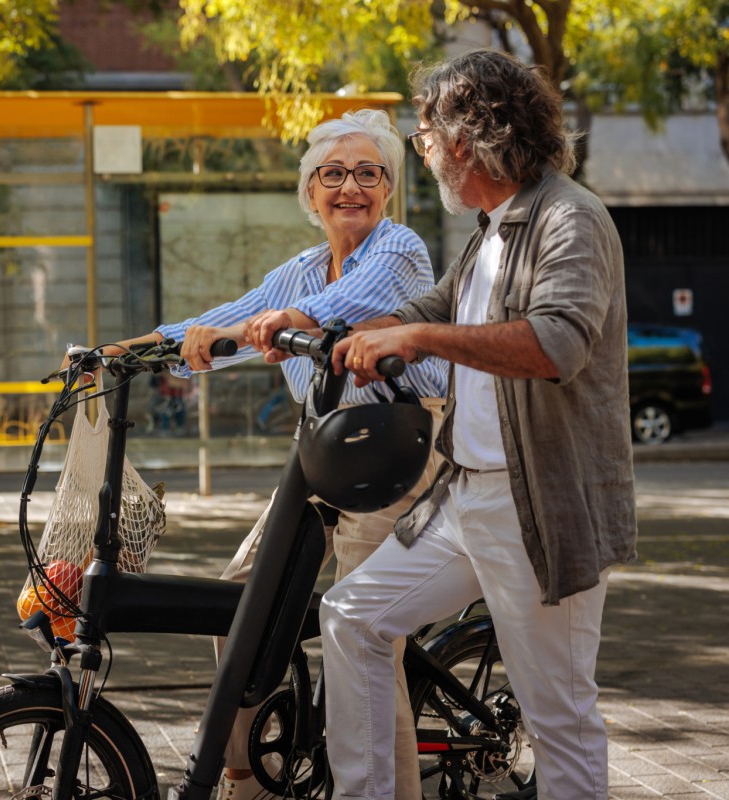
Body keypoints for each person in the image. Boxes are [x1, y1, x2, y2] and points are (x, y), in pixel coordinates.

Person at [246, 49, 637, 800]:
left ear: (468, 138)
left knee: (559, 717)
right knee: (353, 616)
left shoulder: (569, 219)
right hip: (466, 500)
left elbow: (556, 343)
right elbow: (433, 310)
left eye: (425, 139)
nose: (423, 156)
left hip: (540, 508)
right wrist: (324, 324)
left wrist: (414, 340)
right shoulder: (493, 228)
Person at [105, 108, 447, 800]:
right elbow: (230, 321)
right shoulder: (296, 271)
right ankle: (244, 779)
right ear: (309, 191)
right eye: (333, 174)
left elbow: (352, 301)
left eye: (367, 174)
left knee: (365, 636)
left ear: (387, 188)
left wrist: (295, 320)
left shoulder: (401, 249)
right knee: (240, 603)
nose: (350, 187)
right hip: (326, 454)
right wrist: (128, 353)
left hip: (401, 454)